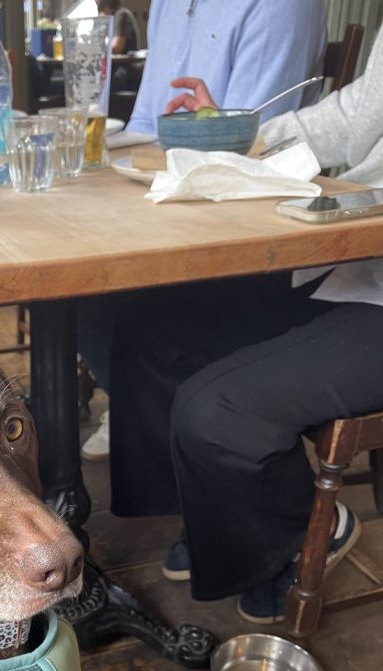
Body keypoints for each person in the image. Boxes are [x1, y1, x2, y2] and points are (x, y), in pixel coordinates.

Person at [104, 23, 383, 623]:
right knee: (149, 334)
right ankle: (216, 518)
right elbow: (358, 115)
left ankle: (296, 532)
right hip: (355, 262)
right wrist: (236, 133)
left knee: (218, 410)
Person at [80, 0, 328, 459]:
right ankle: (141, 407)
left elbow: (247, 145)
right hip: (167, 185)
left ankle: (163, 421)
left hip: (245, 218)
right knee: (73, 264)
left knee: (101, 288)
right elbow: (147, 123)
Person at [127, 0, 327, 135]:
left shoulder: (279, 6)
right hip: (159, 181)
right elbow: (143, 124)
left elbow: (247, 144)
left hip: (242, 190)